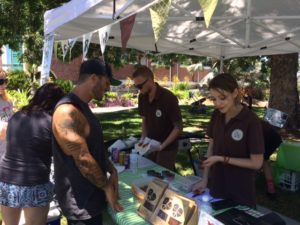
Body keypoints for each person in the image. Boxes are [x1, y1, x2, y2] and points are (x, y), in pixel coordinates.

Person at [52, 59, 123, 225]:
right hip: (81, 205)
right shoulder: (67, 112)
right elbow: (82, 158)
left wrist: (111, 169)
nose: (108, 88)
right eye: (106, 82)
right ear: (93, 78)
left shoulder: (83, 107)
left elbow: (93, 146)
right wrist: (106, 187)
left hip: (92, 198)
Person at [192, 73, 264, 208]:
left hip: (241, 190)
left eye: (223, 98)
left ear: (235, 93)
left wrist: (222, 159)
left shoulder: (250, 120)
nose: (217, 104)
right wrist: (205, 179)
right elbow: (211, 148)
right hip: (217, 185)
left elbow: (256, 163)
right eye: (214, 99)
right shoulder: (217, 115)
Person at [0, 83, 65, 225]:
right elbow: (61, 154)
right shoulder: (51, 122)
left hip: (7, 180)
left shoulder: (16, 116)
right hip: (35, 182)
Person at [132, 66, 183, 170]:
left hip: (167, 148)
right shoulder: (142, 97)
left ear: (150, 80)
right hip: (149, 145)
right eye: (136, 86)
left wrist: (161, 146)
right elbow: (144, 120)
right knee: (147, 174)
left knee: (162, 178)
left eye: (140, 86)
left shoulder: (168, 98)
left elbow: (178, 127)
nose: (139, 90)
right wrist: (143, 139)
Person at [260, 120, 282, 198]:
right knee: (265, 161)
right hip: (275, 138)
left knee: (256, 161)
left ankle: (248, 185)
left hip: (267, 138)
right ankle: (271, 189)